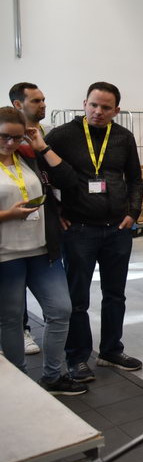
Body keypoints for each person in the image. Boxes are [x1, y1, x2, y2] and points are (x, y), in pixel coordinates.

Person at [46, 82, 143, 382]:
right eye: (93, 105)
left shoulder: (123, 137)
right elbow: (40, 174)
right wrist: (55, 210)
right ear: (84, 103)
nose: (98, 112)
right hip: (79, 230)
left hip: (117, 230)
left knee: (115, 295)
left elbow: (135, 178)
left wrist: (133, 212)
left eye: (105, 107)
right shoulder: (62, 136)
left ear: (116, 110)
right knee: (77, 298)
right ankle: (77, 358)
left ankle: (111, 351)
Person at [0, 106, 87, 395]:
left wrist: (40, 145)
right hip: (5, 255)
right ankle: (20, 382)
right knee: (11, 320)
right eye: (4, 136)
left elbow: (67, 181)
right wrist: (8, 215)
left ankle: (53, 375)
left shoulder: (29, 157)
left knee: (61, 310)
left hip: (42, 250)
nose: (10, 143)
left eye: (17, 137)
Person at [9, 82, 48, 356]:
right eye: (36, 101)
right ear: (18, 105)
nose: (43, 104)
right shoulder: (11, 142)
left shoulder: (45, 134)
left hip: (42, 226)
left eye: (43, 99)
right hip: (10, 232)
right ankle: (20, 329)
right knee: (13, 288)